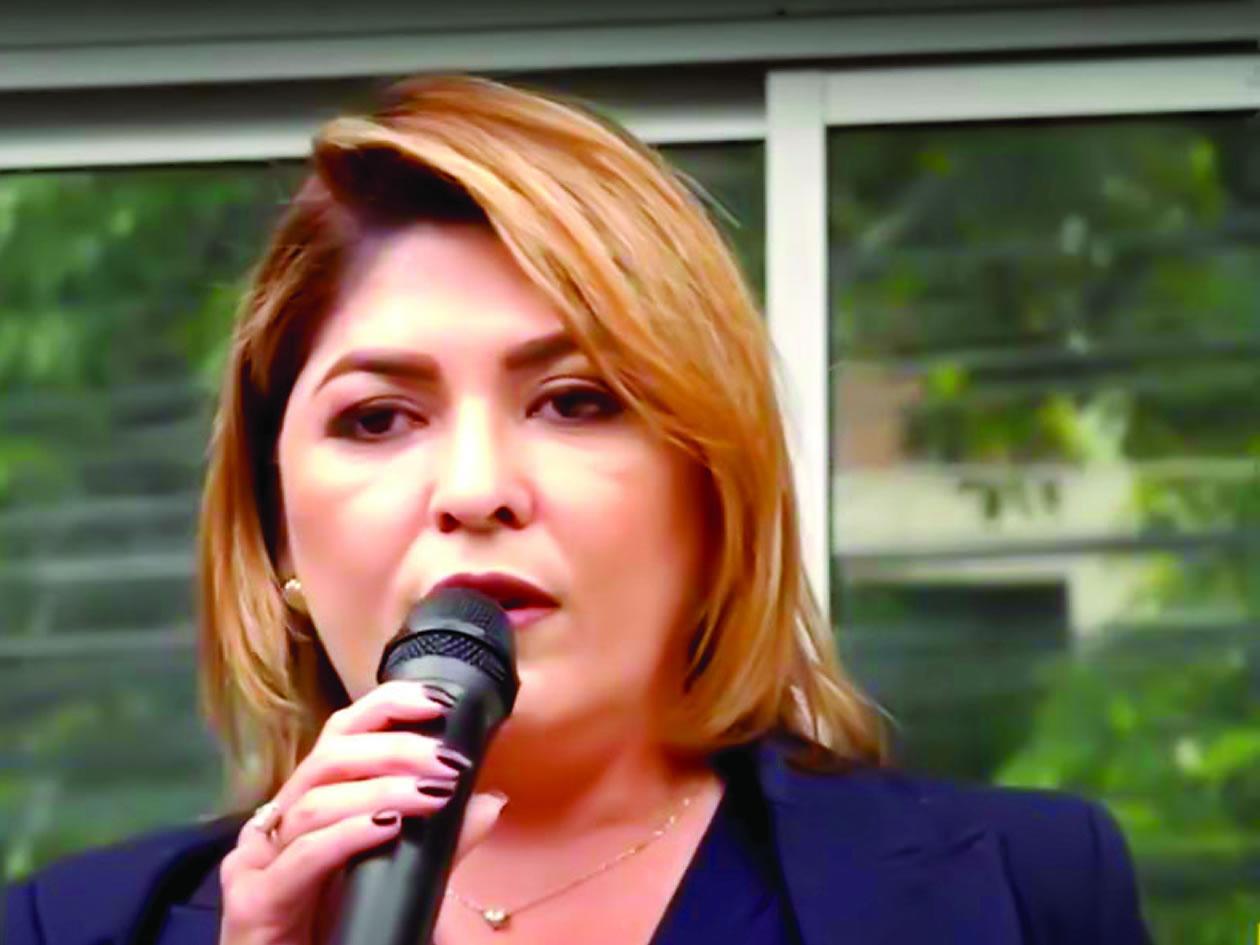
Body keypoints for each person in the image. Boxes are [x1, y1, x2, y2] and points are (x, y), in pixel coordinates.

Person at [3, 74, 1152, 945]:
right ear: (274, 533)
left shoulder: (1022, 892)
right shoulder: (66, 928)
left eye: (575, 401)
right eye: (379, 418)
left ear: (711, 489)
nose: (476, 489)